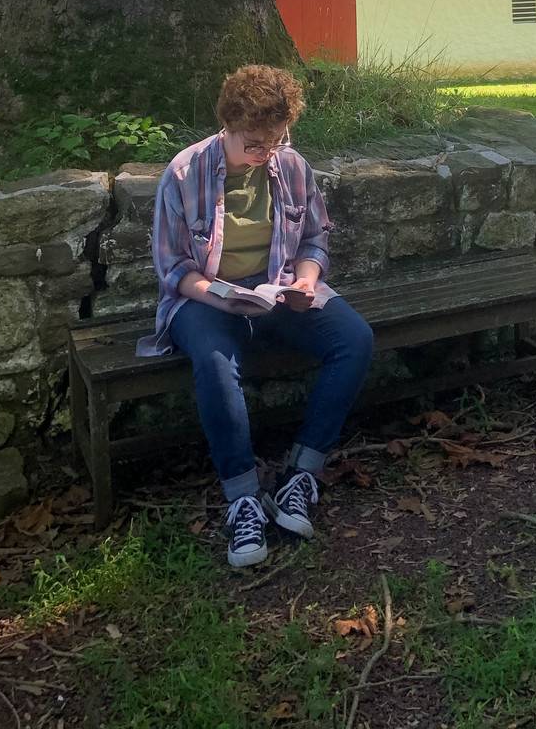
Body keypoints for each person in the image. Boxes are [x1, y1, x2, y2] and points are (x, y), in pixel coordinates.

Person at [137, 64, 374, 568]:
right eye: (255, 143)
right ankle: (243, 497)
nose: (267, 153)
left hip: (277, 290)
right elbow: (172, 266)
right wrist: (221, 298)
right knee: (216, 360)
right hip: (203, 299)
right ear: (228, 125)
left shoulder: (290, 166)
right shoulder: (184, 172)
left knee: (354, 339)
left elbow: (313, 239)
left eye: (277, 139)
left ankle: (301, 474)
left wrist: (307, 279)